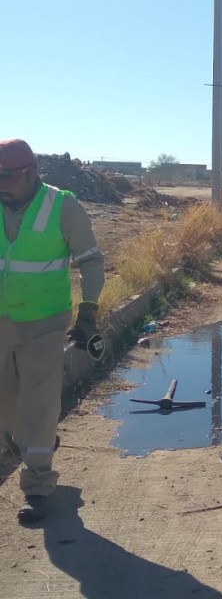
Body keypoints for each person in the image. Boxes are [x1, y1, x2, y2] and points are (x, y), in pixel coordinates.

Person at [0, 139, 105, 524]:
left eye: (6, 176)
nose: (0, 183)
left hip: (44, 323)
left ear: (30, 172)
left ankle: (38, 485)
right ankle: (22, 447)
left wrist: (89, 310)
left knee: (39, 403)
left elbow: (91, 261)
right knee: (6, 403)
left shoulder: (62, 206)